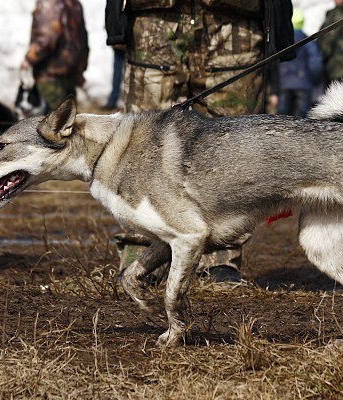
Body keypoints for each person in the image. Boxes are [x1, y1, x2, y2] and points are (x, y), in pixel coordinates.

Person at [106, 0, 294, 281]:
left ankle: (221, 259)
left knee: (232, 148)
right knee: (143, 146)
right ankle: (143, 257)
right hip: (154, 22)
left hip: (236, 22)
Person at [21, 0, 89, 112]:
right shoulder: (74, 3)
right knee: (67, 117)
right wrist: (79, 70)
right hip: (68, 73)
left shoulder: (50, 3)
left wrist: (29, 59)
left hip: (50, 75)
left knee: (54, 119)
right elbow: (82, 40)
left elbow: (46, 37)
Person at [276, 9, 323, 118]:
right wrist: (315, 80)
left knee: (281, 117)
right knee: (302, 118)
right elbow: (315, 61)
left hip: (284, 83)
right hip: (304, 84)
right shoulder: (307, 41)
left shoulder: (281, 41)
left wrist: (275, 85)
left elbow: (274, 63)